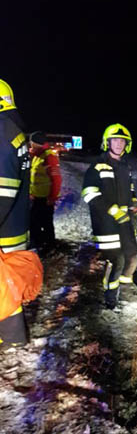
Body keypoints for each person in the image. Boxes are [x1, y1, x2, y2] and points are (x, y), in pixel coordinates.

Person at [82, 123, 137, 309]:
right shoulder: (97, 167)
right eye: (115, 140)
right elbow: (89, 194)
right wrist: (114, 210)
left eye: (122, 141)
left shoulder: (125, 167)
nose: (119, 144)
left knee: (132, 257)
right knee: (117, 260)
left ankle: (120, 289)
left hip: (125, 220)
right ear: (107, 142)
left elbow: (129, 189)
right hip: (106, 223)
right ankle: (110, 298)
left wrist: (134, 202)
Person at [0, 79, 31, 348]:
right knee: (7, 288)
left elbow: (1, 192)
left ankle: (10, 338)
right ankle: (13, 337)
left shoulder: (1, 132)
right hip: (14, 227)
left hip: (4, 231)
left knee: (4, 290)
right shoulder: (13, 130)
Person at [29, 130, 62, 252]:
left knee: (45, 223)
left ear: (36, 143)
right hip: (37, 197)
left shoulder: (48, 157)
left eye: (32, 143)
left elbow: (56, 179)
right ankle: (40, 244)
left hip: (45, 198)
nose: (30, 145)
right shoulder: (38, 156)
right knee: (36, 223)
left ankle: (49, 246)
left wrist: (52, 197)